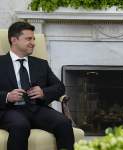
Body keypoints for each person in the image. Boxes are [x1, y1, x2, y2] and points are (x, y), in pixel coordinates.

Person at [0, 22, 75, 150]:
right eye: (28, 39)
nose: (33, 42)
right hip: (8, 110)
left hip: (36, 109)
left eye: (34, 39)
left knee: (64, 123)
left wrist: (43, 92)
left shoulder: (41, 64)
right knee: (20, 125)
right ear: (14, 40)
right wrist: (7, 96)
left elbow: (60, 87)